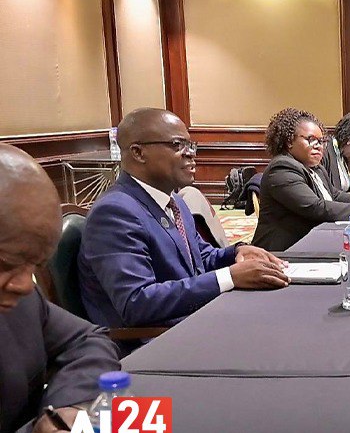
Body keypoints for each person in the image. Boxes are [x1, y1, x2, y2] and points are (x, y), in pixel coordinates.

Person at [78, 108, 289, 342]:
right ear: (138, 152)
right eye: (177, 145)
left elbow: (199, 258)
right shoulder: (115, 213)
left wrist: (236, 253)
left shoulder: (174, 201)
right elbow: (137, 302)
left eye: (191, 145)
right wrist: (229, 277)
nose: (190, 154)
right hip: (152, 342)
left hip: (192, 322)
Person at [0, 145, 117, 433]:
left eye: (34, 265)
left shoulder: (19, 299)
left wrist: (66, 411)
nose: (25, 285)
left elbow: (88, 339)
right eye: (5, 263)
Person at [251, 108, 350, 251]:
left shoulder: (315, 167)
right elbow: (316, 208)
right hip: (282, 252)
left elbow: (335, 195)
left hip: (309, 242)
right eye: (311, 139)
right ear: (289, 141)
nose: (318, 146)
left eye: (320, 141)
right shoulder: (282, 169)